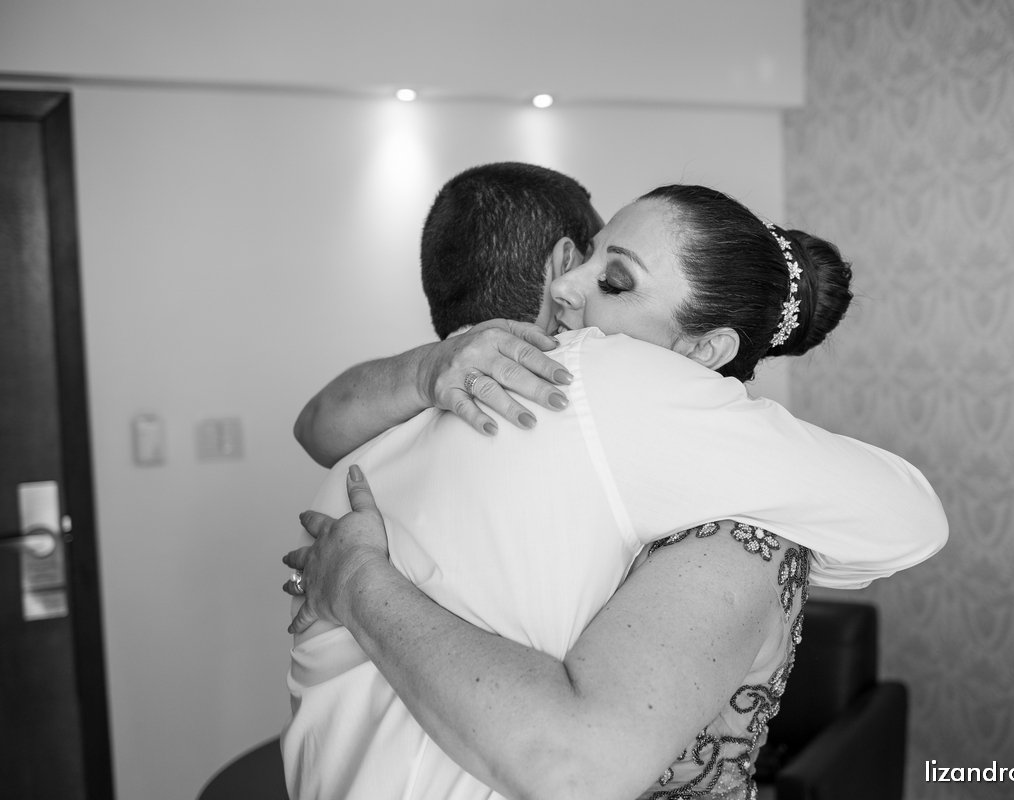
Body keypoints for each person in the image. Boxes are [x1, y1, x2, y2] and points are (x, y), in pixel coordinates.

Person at [283, 171, 948, 800]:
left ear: (704, 351)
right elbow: (909, 519)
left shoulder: (402, 414)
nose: (569, 286)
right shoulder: (562, 382)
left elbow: (313, 427)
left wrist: (361, 582)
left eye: (617, 279)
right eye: (586, 259)